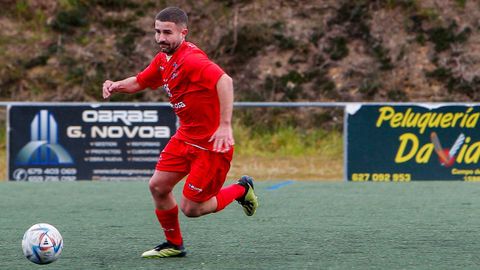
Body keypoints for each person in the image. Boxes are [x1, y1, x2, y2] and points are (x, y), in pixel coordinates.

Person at [102, 7, 258, 258]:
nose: (161, 38)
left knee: (192, 209)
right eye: (157, 32)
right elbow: (141, 81)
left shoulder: (192, 60)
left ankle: (242, 189)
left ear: (183, 33)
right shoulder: (164, 59)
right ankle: (174, 244)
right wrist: (116, 85)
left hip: (211, 147)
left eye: (167, 33)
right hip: (185, 137)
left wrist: (225, 125)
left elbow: (225, 81)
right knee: (158, 187)